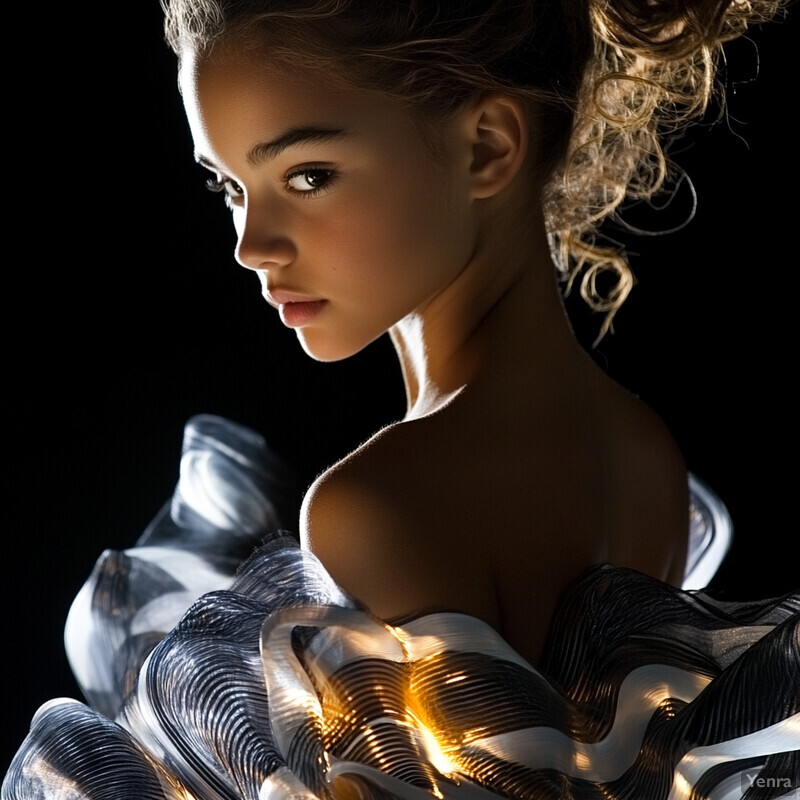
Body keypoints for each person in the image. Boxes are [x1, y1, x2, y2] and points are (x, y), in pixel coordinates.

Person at [3, 2, 797, 799]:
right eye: (230, 186)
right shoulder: (642, 452)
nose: (251, 246)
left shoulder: (381, 503)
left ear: (486, 146)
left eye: (307, 176)